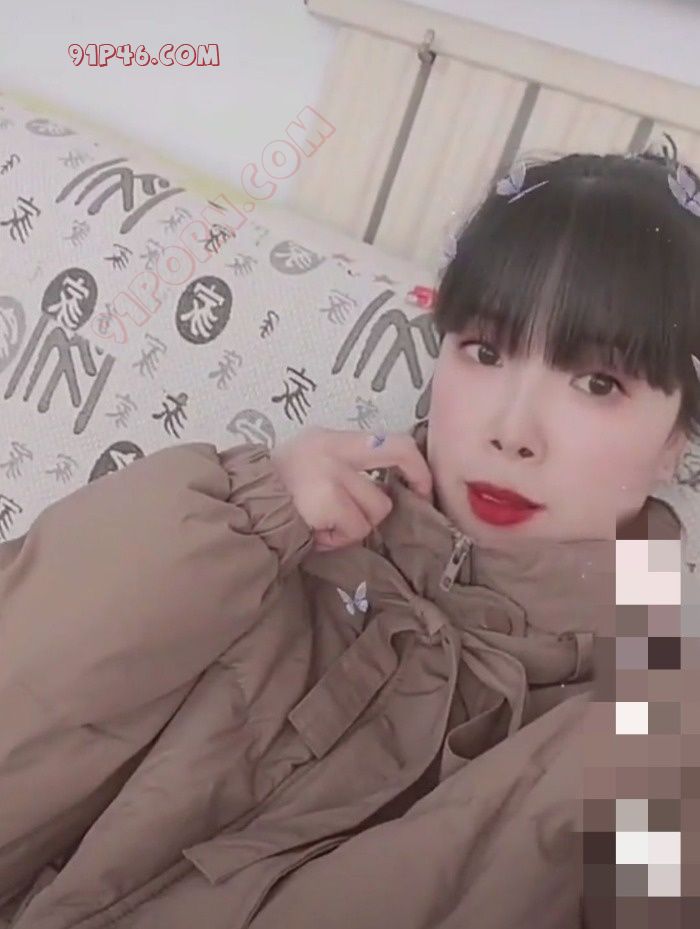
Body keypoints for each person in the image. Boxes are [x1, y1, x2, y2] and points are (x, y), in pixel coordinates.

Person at [1, 146, 698, 929]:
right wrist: (249, 513)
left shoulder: (645, 738)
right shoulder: (266, 535)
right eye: (485, 350)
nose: (512, 430)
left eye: (598, 382)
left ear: (678, 435)